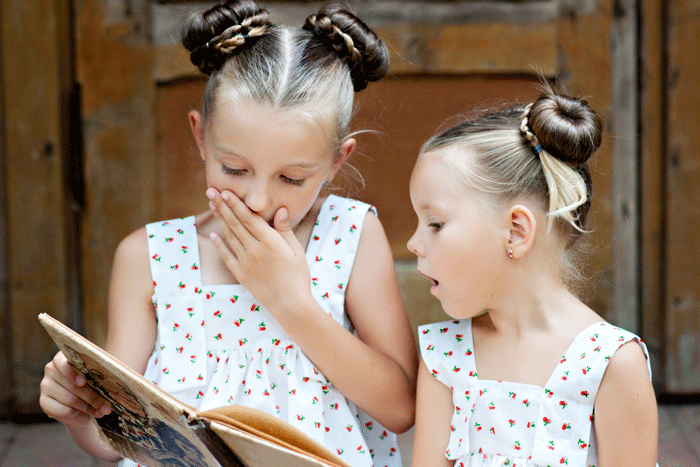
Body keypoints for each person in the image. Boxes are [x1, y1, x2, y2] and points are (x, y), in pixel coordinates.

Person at [40, 1, 418, 466]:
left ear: (337, 161)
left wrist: (290, 302)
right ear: (201, 138)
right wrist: (80, 414)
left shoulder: (351, 236)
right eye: (234, 168)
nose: (257, 199)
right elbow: (119, 440)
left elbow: (400, 408)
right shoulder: (149, 257)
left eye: (292, 178)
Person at [407, 85, 658, 467]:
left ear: (516, 232)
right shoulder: (444, 358)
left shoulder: (611, 365)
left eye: (436, 223)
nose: (413, 243)